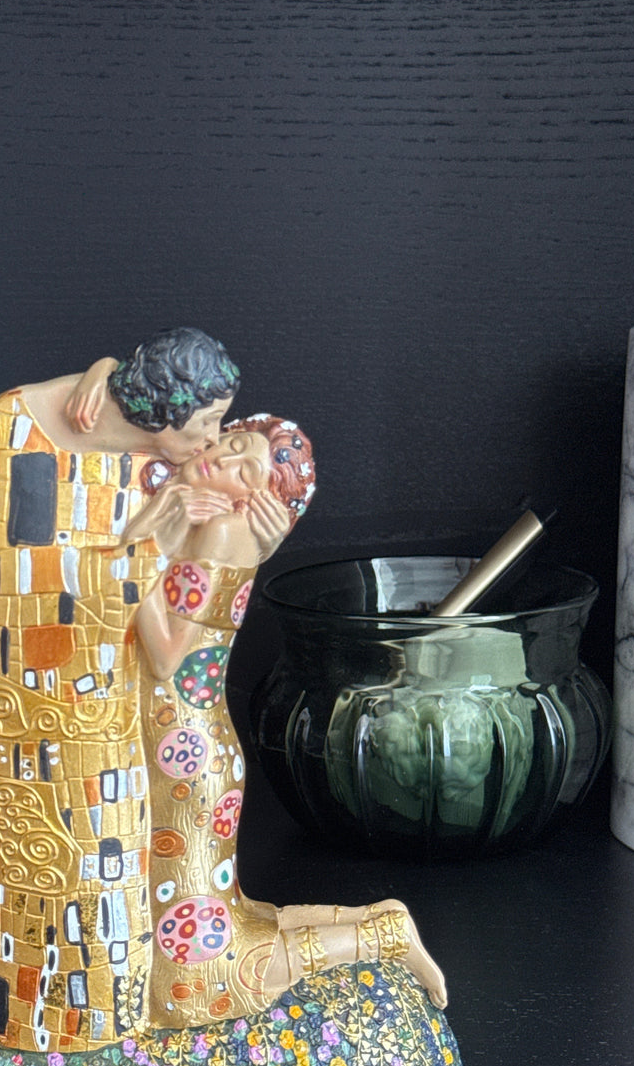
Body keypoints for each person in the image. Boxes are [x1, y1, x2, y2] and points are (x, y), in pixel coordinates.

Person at [0, 329, 241, 1055]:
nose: (212, 441)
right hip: (0, 708)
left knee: (98, 887)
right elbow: (21, 575)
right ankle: (14, 1021)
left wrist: (179, 543)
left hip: (98, 723)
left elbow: (139, 621)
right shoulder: (9, 426)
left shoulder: (158, 475)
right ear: (159, 413)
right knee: (6, 883)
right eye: (206, 424)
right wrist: (153, 548)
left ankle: (102, 1021)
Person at [126, 415, 447, 1025]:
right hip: (188, 747)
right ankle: (377, 920)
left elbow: (165, 655)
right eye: (233, 444)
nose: (225, 460)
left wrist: (123, 563)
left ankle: (379, 939)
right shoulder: (213, 525)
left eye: (247, 471)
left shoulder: (221, 531)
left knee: (194, 975)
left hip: (181, 756)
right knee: (225, 919)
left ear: (256, 502)